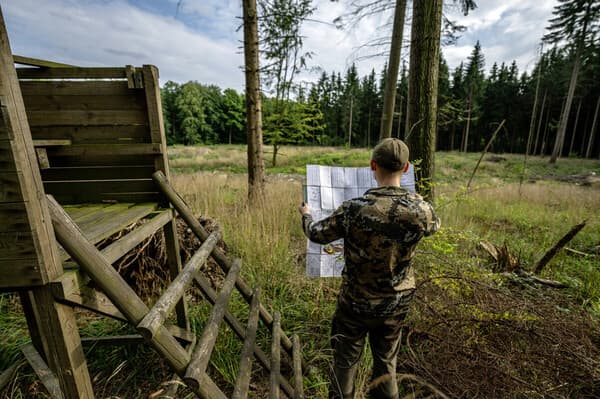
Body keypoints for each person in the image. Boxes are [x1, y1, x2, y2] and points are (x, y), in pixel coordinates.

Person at [298, 138, 440, 399]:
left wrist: (306, 214)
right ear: (406, 168)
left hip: (354, 304)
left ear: (372, 165)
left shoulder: (354, 208)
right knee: (387, 364)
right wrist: (418, 200)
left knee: (345, 364)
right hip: (396, 305)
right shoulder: (421, 210)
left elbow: (317, 234)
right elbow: (435, 224)